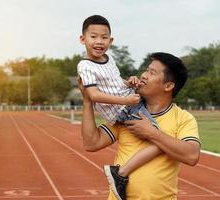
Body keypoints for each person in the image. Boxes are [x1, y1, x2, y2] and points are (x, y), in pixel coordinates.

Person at [78, 52, 201, 200]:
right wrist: (87, 101)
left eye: (152, 73)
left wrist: (152, 133)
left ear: (168, 86)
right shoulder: (126, 110)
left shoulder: (183, 118)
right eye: (146, 70)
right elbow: (91, 143)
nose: (144, 75)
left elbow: (192, 155)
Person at [77, 15, 164, 199]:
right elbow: (93, 95)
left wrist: (129, 82)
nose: (99, 41)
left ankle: (122, 173)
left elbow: (116, 84)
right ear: (82, 39)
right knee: (161, 141)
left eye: (104, 37)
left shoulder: (109, 59)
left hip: (130, 102)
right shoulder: (85, 66)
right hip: (124, 110)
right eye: (93, 37)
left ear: (111, 40)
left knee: (159, 139)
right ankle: (120, 174)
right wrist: (127, 102)